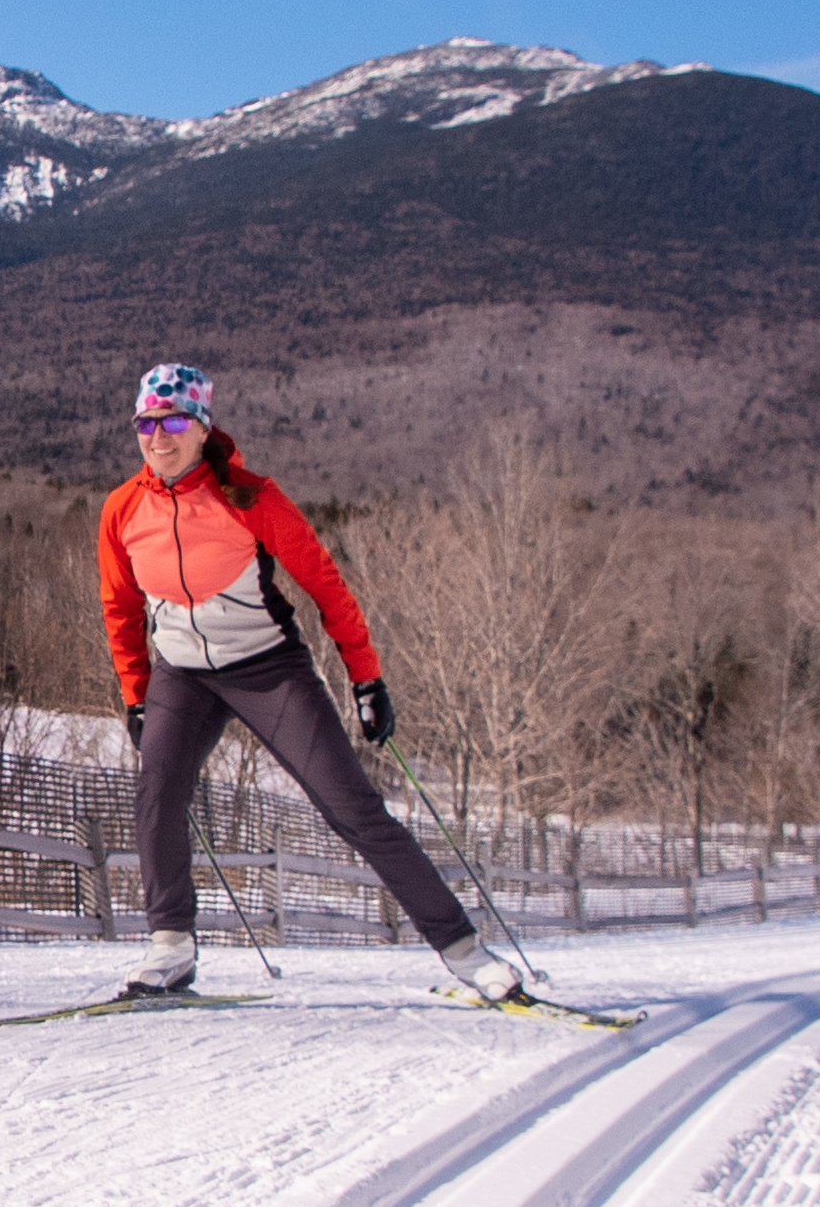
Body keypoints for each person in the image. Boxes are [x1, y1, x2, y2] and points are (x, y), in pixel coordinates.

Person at [96, 362, 520, 1003]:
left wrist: (367, 679)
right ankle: (170, 949)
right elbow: (120, 609)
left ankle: (464, 951)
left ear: (203, 428)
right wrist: (135, 694)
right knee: (157, 793)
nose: (159, 436)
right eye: (146, 423)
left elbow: (327, 587)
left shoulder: (252, 499)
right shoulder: (123, 510)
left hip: (267, 668)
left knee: (352, 809)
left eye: (174, 420)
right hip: (181, 675)